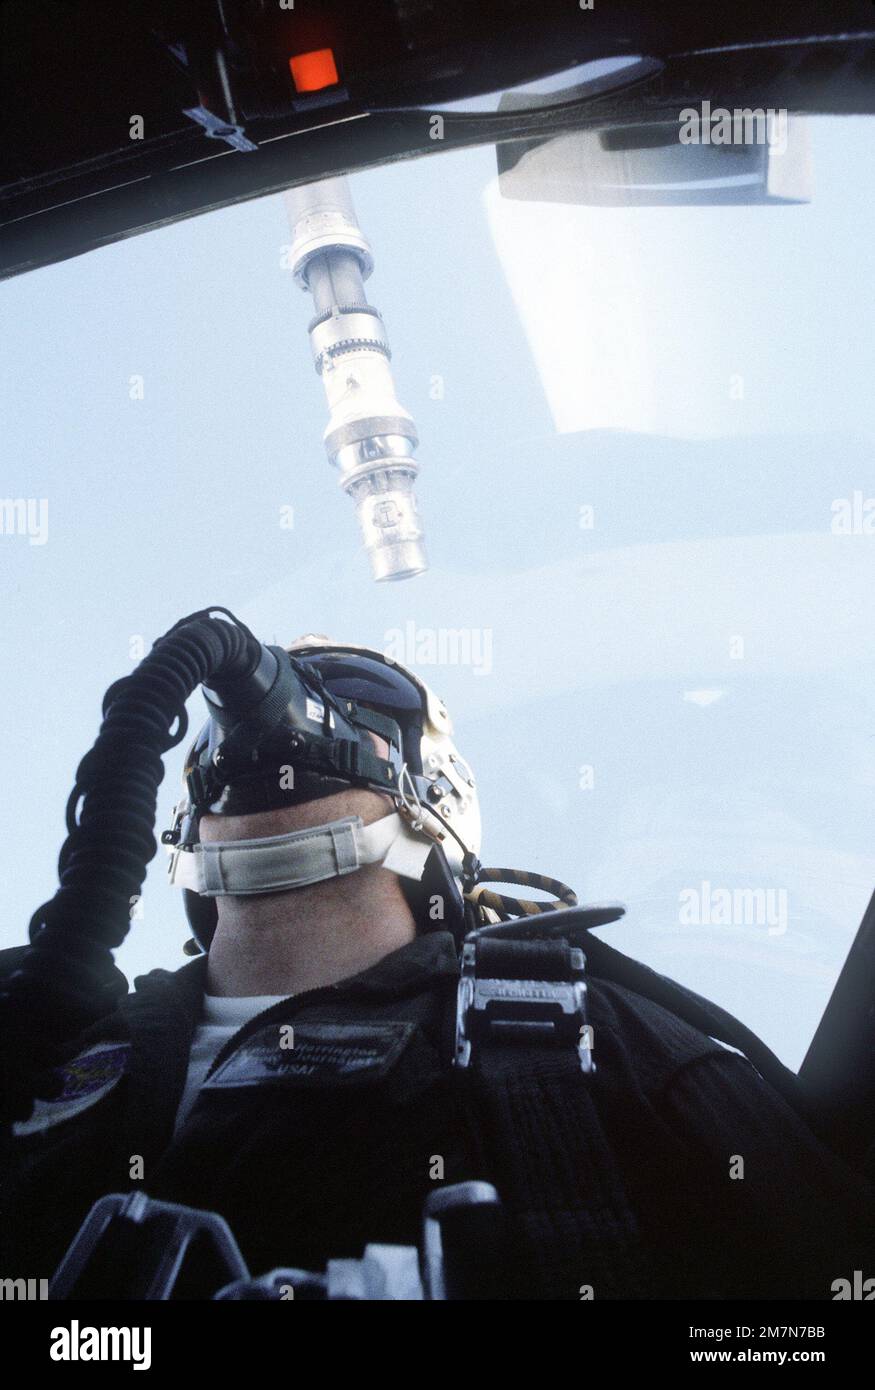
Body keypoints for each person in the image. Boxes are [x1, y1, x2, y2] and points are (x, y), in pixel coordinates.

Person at [1, 635, 873, 1300]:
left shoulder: (597, 1038)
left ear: (440, 799)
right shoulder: (39, 1037)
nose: (260, 721)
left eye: (356, 693)